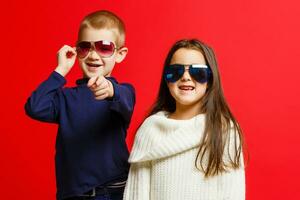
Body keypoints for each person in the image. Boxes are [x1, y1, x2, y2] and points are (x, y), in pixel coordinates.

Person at [25, 10, 135, 200]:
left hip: (112, 189)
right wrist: (60, 70)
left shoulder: (122, 91)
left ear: (120, 54)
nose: (93, 55)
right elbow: (35, 107)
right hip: (72, 193)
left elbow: (124, 99)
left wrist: (110, 89)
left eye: (104, 47)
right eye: (85, 47)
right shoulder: (65, 97)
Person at [123, 39, 245, 200]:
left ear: (210, 79)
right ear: (167, 80)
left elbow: (233, 194)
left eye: (198, 72)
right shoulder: (150, 129)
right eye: (176, 71)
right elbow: (135, 195)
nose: (186, 77)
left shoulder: (224, 130)